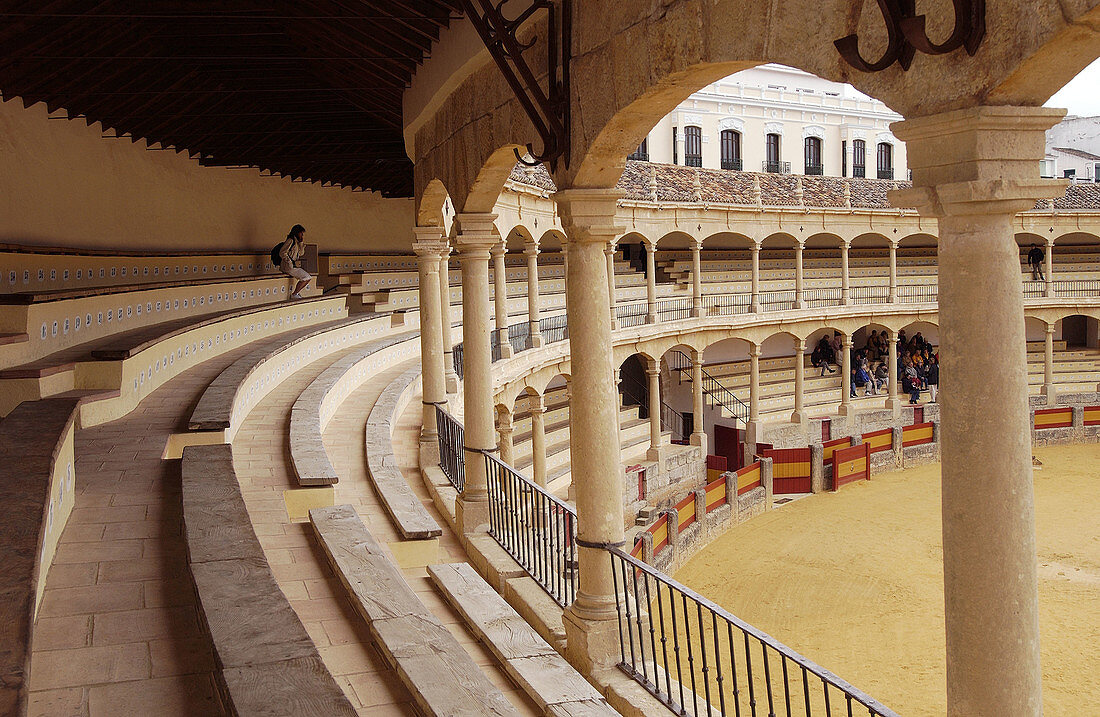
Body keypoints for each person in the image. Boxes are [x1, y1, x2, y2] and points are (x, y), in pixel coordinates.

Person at [279, 224, 311, 299]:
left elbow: (301, 253)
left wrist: (301, 243)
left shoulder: (296, 242)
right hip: (289, 266)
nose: (302, 235)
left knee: (307, 277)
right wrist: (289, 261)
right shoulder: (290, 240)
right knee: (306, 277)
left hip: (293, 265)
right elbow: (282, 252)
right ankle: (295, 294)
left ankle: (296, 293)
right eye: (301, 233)